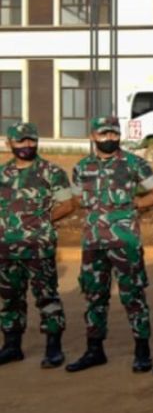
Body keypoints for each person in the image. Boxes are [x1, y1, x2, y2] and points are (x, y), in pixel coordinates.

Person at [66, 115, 153, 373]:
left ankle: (142, 352)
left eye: (113, 134)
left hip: (125, 242)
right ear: (93, 136)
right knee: (94, 296)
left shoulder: (134, 163)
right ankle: (94, 350)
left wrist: (134, 206)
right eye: (103, 134)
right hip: (93, 242)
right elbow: (77, 200)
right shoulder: (82, 167)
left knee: (133, 296)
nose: (109, 138)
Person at [0, 123, 75, 368]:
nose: (27, 145)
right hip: (7, 248)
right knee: (10, 298)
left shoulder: (51, 171)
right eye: (21, 141)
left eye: (31, 140)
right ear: (10, 143)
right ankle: (12, 346)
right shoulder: (2, 174)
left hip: (38, 247)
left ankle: (53, 348)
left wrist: (40, 221)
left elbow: (67, 204)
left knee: (47, 297)